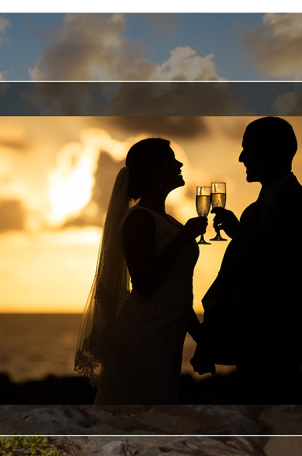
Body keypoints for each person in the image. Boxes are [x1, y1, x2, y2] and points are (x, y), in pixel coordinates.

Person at [194, 117, 302, 403]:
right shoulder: (251, 211)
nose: (241, 157)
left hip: (279, 342)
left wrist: (241, 236)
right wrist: (210, 341)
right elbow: (231, 278)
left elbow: (288, 276)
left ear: (273, 150)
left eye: (247, 148)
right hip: (248, 342)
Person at [76, 138, 207, 404]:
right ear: (156, 171)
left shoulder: (167, 220)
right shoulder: (139, 218)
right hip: (143, 338)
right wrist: (184, 237)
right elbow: (145, 284)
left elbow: (177, 291)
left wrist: (202, 339)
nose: (180, 164)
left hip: (166, 338)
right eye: (172, 160)